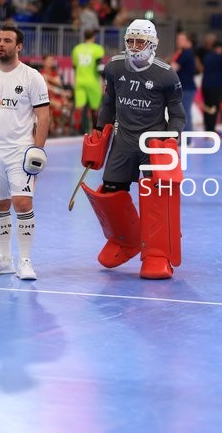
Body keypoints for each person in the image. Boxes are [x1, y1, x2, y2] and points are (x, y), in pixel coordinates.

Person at [79, 19, 186, 280]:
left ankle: (157, 254)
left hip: (153, 143)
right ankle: (126, 240)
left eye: (140, 41)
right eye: (131, 41)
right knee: (111, 191)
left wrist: (171, 141)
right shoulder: (114, 67)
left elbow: (177, 114)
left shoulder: (166, 75)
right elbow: (109, 102)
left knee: (156, 198)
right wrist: (99, 130)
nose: (135, 46)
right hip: (123, 140)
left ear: (152, 44)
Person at [0, 24, 50, 280]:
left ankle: (25, 260)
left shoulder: (31, 77)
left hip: (20, 151)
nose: (0, 44)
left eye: (6, 40)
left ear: (19, 46)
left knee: (22, 203)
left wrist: (37, 150)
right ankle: (4, 259)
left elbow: (43, 116)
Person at [71, 28, 105, 135]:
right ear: (93, 37)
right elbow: (99, 67)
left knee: (79, 107)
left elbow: (75, 67)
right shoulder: (98, 49)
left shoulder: (77, 49)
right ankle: (96, 130)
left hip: (80, 81)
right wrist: (104, 81)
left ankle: (77, 130)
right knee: (95, 108)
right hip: (92, 81)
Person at [198, 40, 222, 133]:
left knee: (207, 107)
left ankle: (207, 129)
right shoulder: (220, 57)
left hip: (205, 85)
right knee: (214, 108)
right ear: (220, 48)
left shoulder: (207, 56)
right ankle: (211, 130)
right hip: (215, 86)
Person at [170, 31, 198, 132]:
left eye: (181, 39)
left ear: (187, 41)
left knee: (185, 113)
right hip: (184, 87)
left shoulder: (186, 53)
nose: (178, 41)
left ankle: (187, 138)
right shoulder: (182, 53)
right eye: (177, 39)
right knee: (183, 112)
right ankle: (185, 138)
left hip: (187, 88)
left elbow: (174, 68)